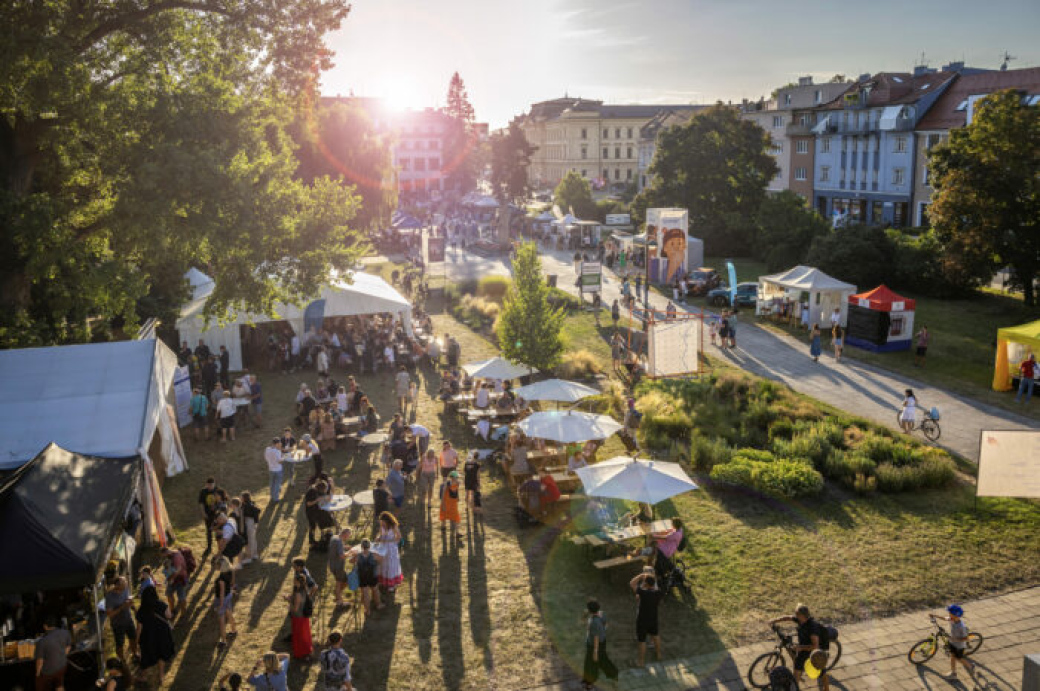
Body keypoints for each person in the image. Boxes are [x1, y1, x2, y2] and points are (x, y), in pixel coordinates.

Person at [769, 604, 830, 690]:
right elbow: (788, 617)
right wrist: (774, 620)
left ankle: (826, 688)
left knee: (820, 671)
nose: (795, 615)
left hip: (816, 651)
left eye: (797, 614)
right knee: (797, 666)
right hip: (806, 645)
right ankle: (795, 685)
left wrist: (800, 648)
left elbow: (815, 646)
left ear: (802, 615)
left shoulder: (812, 627)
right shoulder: (800, 620)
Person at [135, 586, 175, 685]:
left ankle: (144, 676)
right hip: (162, 634)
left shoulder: (142, 609)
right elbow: (169, 616)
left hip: (148, 636)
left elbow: (139, 628)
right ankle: (161, 676)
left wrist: (136, 641)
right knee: (161, 655)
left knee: (146, 656)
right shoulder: (162, 604)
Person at [931, 605, 976, 680]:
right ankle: (954, 673)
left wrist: (955, 639)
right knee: (953, 657)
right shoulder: (952, 619)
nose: (949, 614)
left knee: (958, 658)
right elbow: (945, 618)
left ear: (955, 615)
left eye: (950, 613)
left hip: (959, 646)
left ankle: (970, 666)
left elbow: (966, 638)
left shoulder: (961, 627)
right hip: (952, 642)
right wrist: (935, 616)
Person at [629, 568, 663, 667]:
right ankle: (659, 654)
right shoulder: (658, 593)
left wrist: (641, 575)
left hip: (642, 620)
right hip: (653, 618)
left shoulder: (643, 593)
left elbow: (632, 583)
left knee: (642, 641)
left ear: (646, 584)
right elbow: (655, 588)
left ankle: (641, 662)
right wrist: (648, 579)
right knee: (655, 635)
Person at [582, 599, 618, 690]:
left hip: (594, 645)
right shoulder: (602, 614)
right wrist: (602, 630)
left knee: (591, 664)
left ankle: (589, 684)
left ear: (590, 610)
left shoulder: (594, 622)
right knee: (603, 660)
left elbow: (596, 637)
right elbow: (606, 625)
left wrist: (595, 651)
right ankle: (613, 674)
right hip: (602, 642)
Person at [104, 577, 139, 663]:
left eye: (126, 582)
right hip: (118, 624)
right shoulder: (110, 596)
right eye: (124, 583)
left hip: (128, 619)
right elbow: (109, 614)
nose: (126, 584)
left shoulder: (126, 589)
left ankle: (135, 654)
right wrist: (122, 607)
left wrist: (134, 608)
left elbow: (128, 599)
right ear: (117, 585)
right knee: (120, 643)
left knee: (133, 637)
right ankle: (121, 661)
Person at [34, 616, 71, 691]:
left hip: (48, 671)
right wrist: (62, 656)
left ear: (45, 626)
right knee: (59, 684)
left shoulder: (41, 642)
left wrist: (37, 673)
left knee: (40, 685)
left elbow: (40, 661)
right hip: (62, 666)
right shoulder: (65, 633)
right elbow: (68, 646)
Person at [351, 539, 383, 615]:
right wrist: (377, 565)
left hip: (362, 576)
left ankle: (367, 610)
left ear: (361, 546)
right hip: (372, 575)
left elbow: (351, 561)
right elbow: (381, 559)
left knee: (365, 593)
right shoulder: (374, 554)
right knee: (375, 590)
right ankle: (378, 605)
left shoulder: (358, 555)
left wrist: (354, 555)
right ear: (369, 546)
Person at [213, 556, 238, 649]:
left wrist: (220, 605)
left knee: (222, 621)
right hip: (229, 595)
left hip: (222, 599)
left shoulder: (221, 579)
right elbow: (232, 583)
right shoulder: (231, 570)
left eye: (217, 564)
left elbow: (221, 593)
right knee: (229, 614)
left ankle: (223, 641)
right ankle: (234, 630)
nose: (216, 566)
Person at [287, 573, 314, 659]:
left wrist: (289, 603)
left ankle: (301, 652)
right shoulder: (304, 590)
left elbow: (295, 609)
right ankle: (306, 651)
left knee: (299, 636)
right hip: (303, 617)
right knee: (304, 635)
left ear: (298, 582)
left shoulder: (298, 593)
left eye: (295, 581)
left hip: (298, 618)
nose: (293, 582)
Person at [376, 512, 404, 591]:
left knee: (391, 564)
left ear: (387, 520)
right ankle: (383, 581)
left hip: (391, 548)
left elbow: (399, 537)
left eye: (383, 522)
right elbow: (381, 534)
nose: (382, 523)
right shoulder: (382, 525)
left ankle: (392, 584)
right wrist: (378, 538)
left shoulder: (393, 526)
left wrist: (388, 541)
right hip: (383, 547)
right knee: (383, 564)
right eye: (381, 522)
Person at [160, 546, 188, 620]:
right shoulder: (171, 555)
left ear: (167, 552)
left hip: (180, 579)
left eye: (164, 555)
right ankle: (172, 610)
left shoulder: (176, 557)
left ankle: (183, 614)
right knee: (169, 594)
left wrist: (171, 578)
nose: (164, 557)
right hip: (173, 579)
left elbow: (178, 570)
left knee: (181, 597)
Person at [328, 528, 353, 608]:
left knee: (342, 581)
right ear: (344, 534)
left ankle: (337, 595)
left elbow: (336, 548)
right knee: (340, 582)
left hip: (332, 564)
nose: (348, 538)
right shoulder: (339, 542)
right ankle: (339, 602)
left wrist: (345, 547)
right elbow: (342, 556)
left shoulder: (334, 537)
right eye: (348, 536)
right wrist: (350, 553)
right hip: (338, 566)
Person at [439, 471, 462, 541]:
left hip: (453, 503)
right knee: (444, 515)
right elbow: (443, 494)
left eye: (457, 477)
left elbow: (457, 490)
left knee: (456, 517)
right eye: (455, 477)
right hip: (446, 502)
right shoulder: (447, 484)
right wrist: (443, 504)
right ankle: (443, 527)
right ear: (451, 477)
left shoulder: (458, 483)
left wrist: (458, 497)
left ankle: (457, 533)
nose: (456, 478)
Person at [199, 477, 219, 553]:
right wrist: (203, 513)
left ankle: (219, 546)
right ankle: (209, 546)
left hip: (217, 514)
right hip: (207, 514)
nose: (210, 486)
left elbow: (222, 503)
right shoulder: (203, 491)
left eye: (211, 485)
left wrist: (217, 509)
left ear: (214, 484)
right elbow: (201, 503)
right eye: (208, 485)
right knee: (209, 530)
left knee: (218, 529)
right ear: (206, 484)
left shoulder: (217, 490)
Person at [241, 492, 261, 564]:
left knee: (249, 539)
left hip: (249, 522)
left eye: (242, 497)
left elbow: (257, 510)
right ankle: (254, 554)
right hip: (251, 523)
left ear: (244, 498)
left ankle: (249, 557)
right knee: (252, 539)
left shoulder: (247, 505)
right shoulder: (249, 504)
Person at [265, 439, 284, 503]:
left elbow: (266, 458)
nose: (280, 445)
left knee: (272, 483)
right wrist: (284, 458)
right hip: (278, 470)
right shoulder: (277, 451)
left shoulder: (267, 449)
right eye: (279, 444)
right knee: (277, 484)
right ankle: (275, 498)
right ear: (276, 444)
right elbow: (280, 461)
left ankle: (272, 496)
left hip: (270, 469)